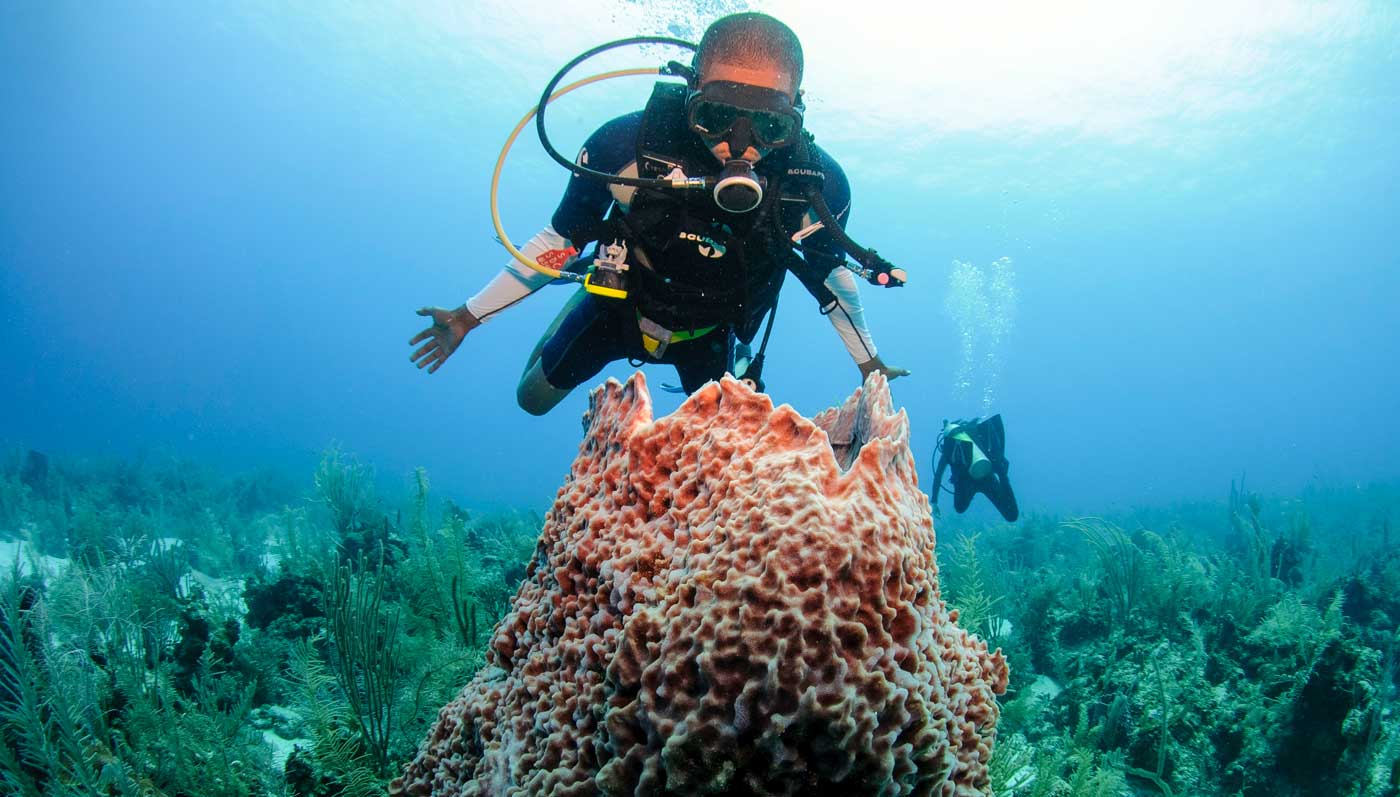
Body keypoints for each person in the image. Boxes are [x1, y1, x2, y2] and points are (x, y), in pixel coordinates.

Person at [411, 13, 908, 415]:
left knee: (722, 455)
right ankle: (573, 306)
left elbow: (830, 276)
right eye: (715, 118)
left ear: (794, 116)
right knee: (531, 401)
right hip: (620, 304)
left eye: (769, 127)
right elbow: (558, 242)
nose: (739, 147)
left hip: (713, 334)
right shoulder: (626, 148)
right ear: (692, 93)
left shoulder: (815, 187)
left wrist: (869, 364)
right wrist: (468, 316)